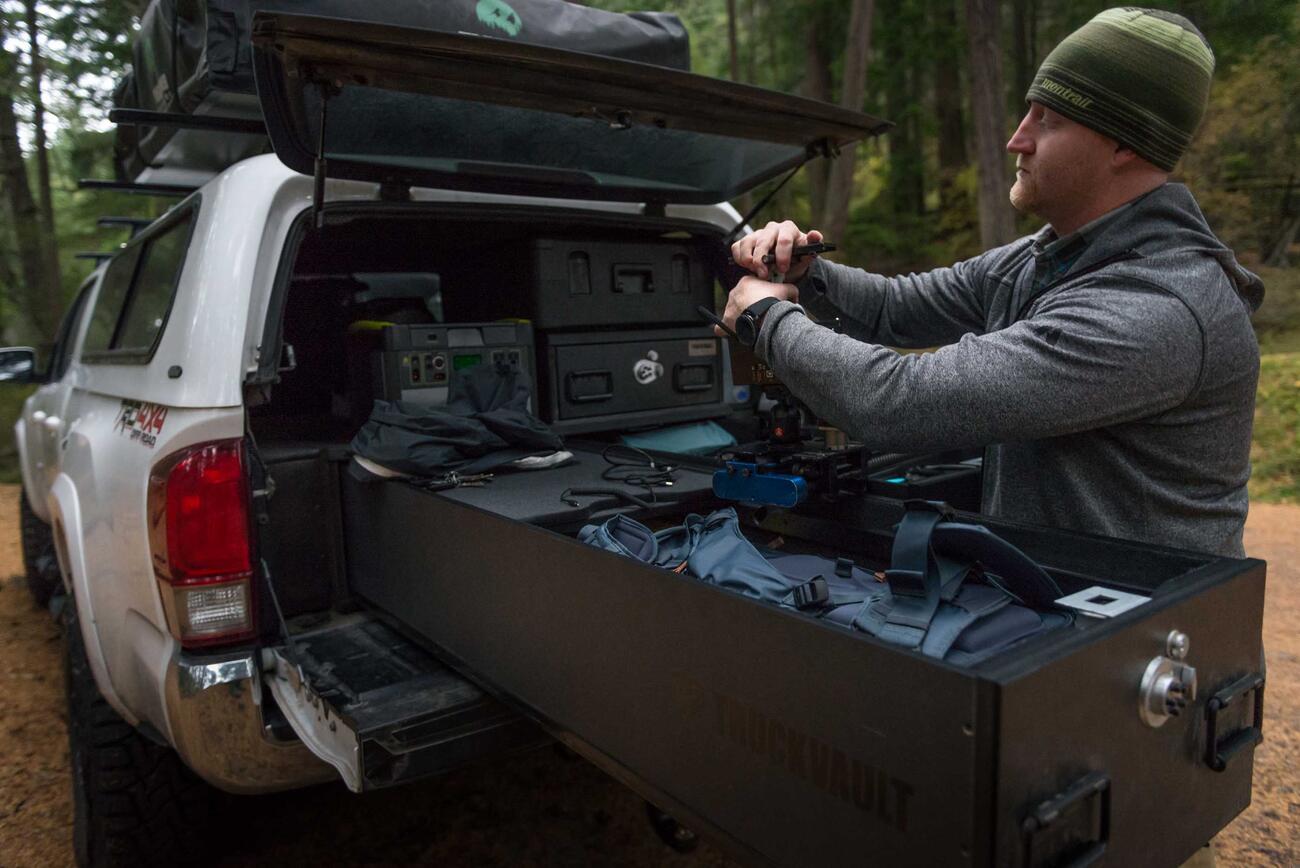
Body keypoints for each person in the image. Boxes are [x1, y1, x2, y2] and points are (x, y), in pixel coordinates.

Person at [720, 7, 1263, 559]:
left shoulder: (1155, 308)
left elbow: (901, 404)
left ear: (1124, 144)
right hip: (1050, 606)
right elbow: (895, 308)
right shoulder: (1049, 257)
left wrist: (767, 319)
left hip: (1138, 626)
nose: (1016, 140)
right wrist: (808, 273)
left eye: (1048, 120)